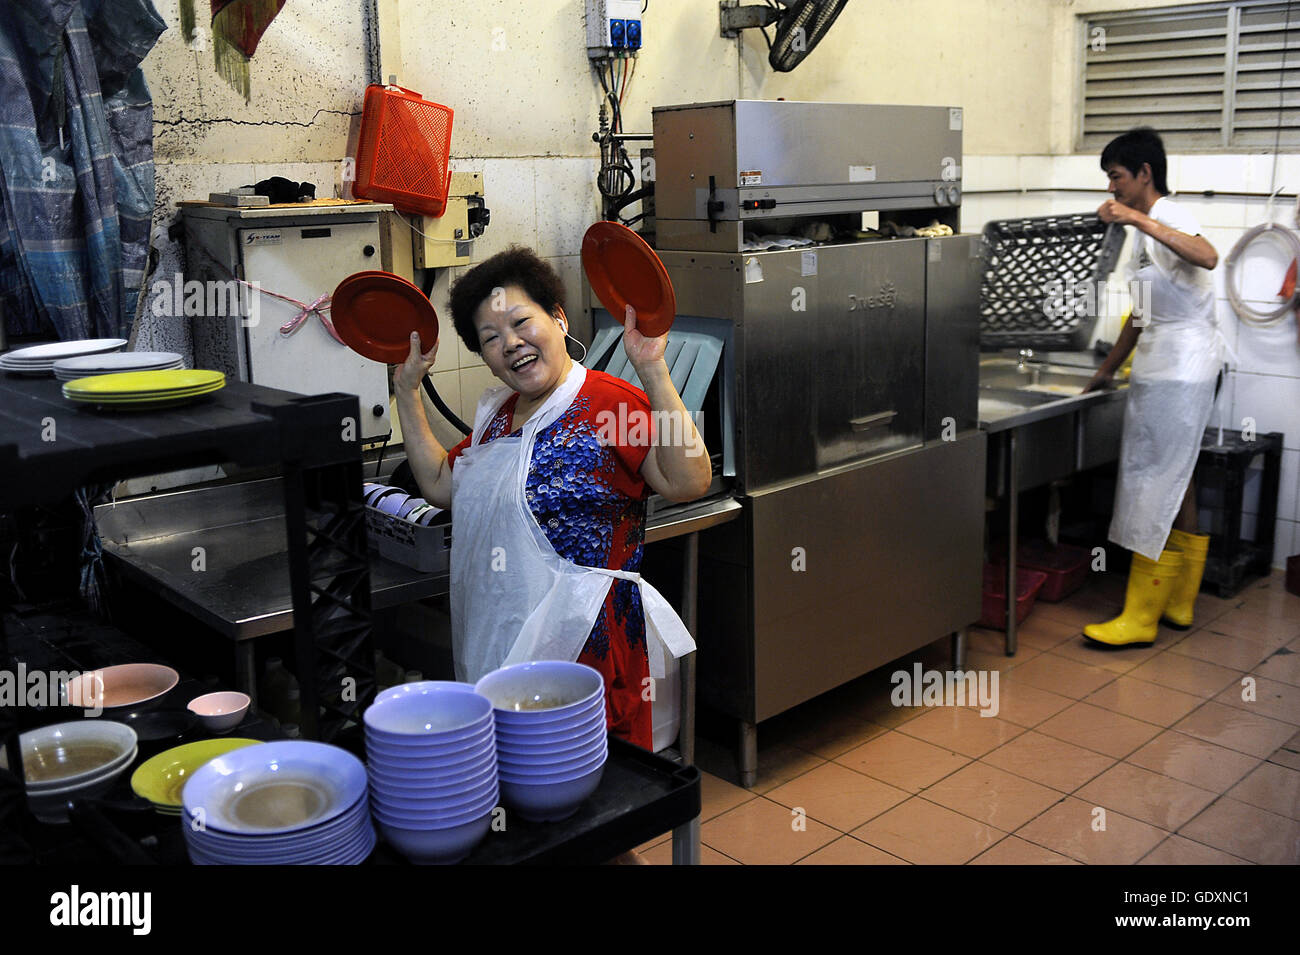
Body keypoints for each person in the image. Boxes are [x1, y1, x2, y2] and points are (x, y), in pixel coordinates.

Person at [393, 246, 711, 748]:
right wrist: (407, 390)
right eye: (491, 338)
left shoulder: (606, 403)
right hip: (500, 641)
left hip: (586, 655)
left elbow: (689, 480)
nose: (511, 343)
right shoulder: (496, 418)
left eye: (522, 322)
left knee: (587, 797)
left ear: (559, 319)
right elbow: (438, 483)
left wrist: (652, 370)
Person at [1081, 127, 1224, 647]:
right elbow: (1140, 316)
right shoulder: (1146, 236)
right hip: (1162, 365)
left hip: (1181, 370)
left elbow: (1207, 256)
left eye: (1117, 176)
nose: (1112, 188)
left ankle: (1139, 616)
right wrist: (1105, 370)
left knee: (1151, 482)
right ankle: (1179, 602)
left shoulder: (1168, 215)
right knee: (1175, 479)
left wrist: (1138, 216)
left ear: (1144, 174)